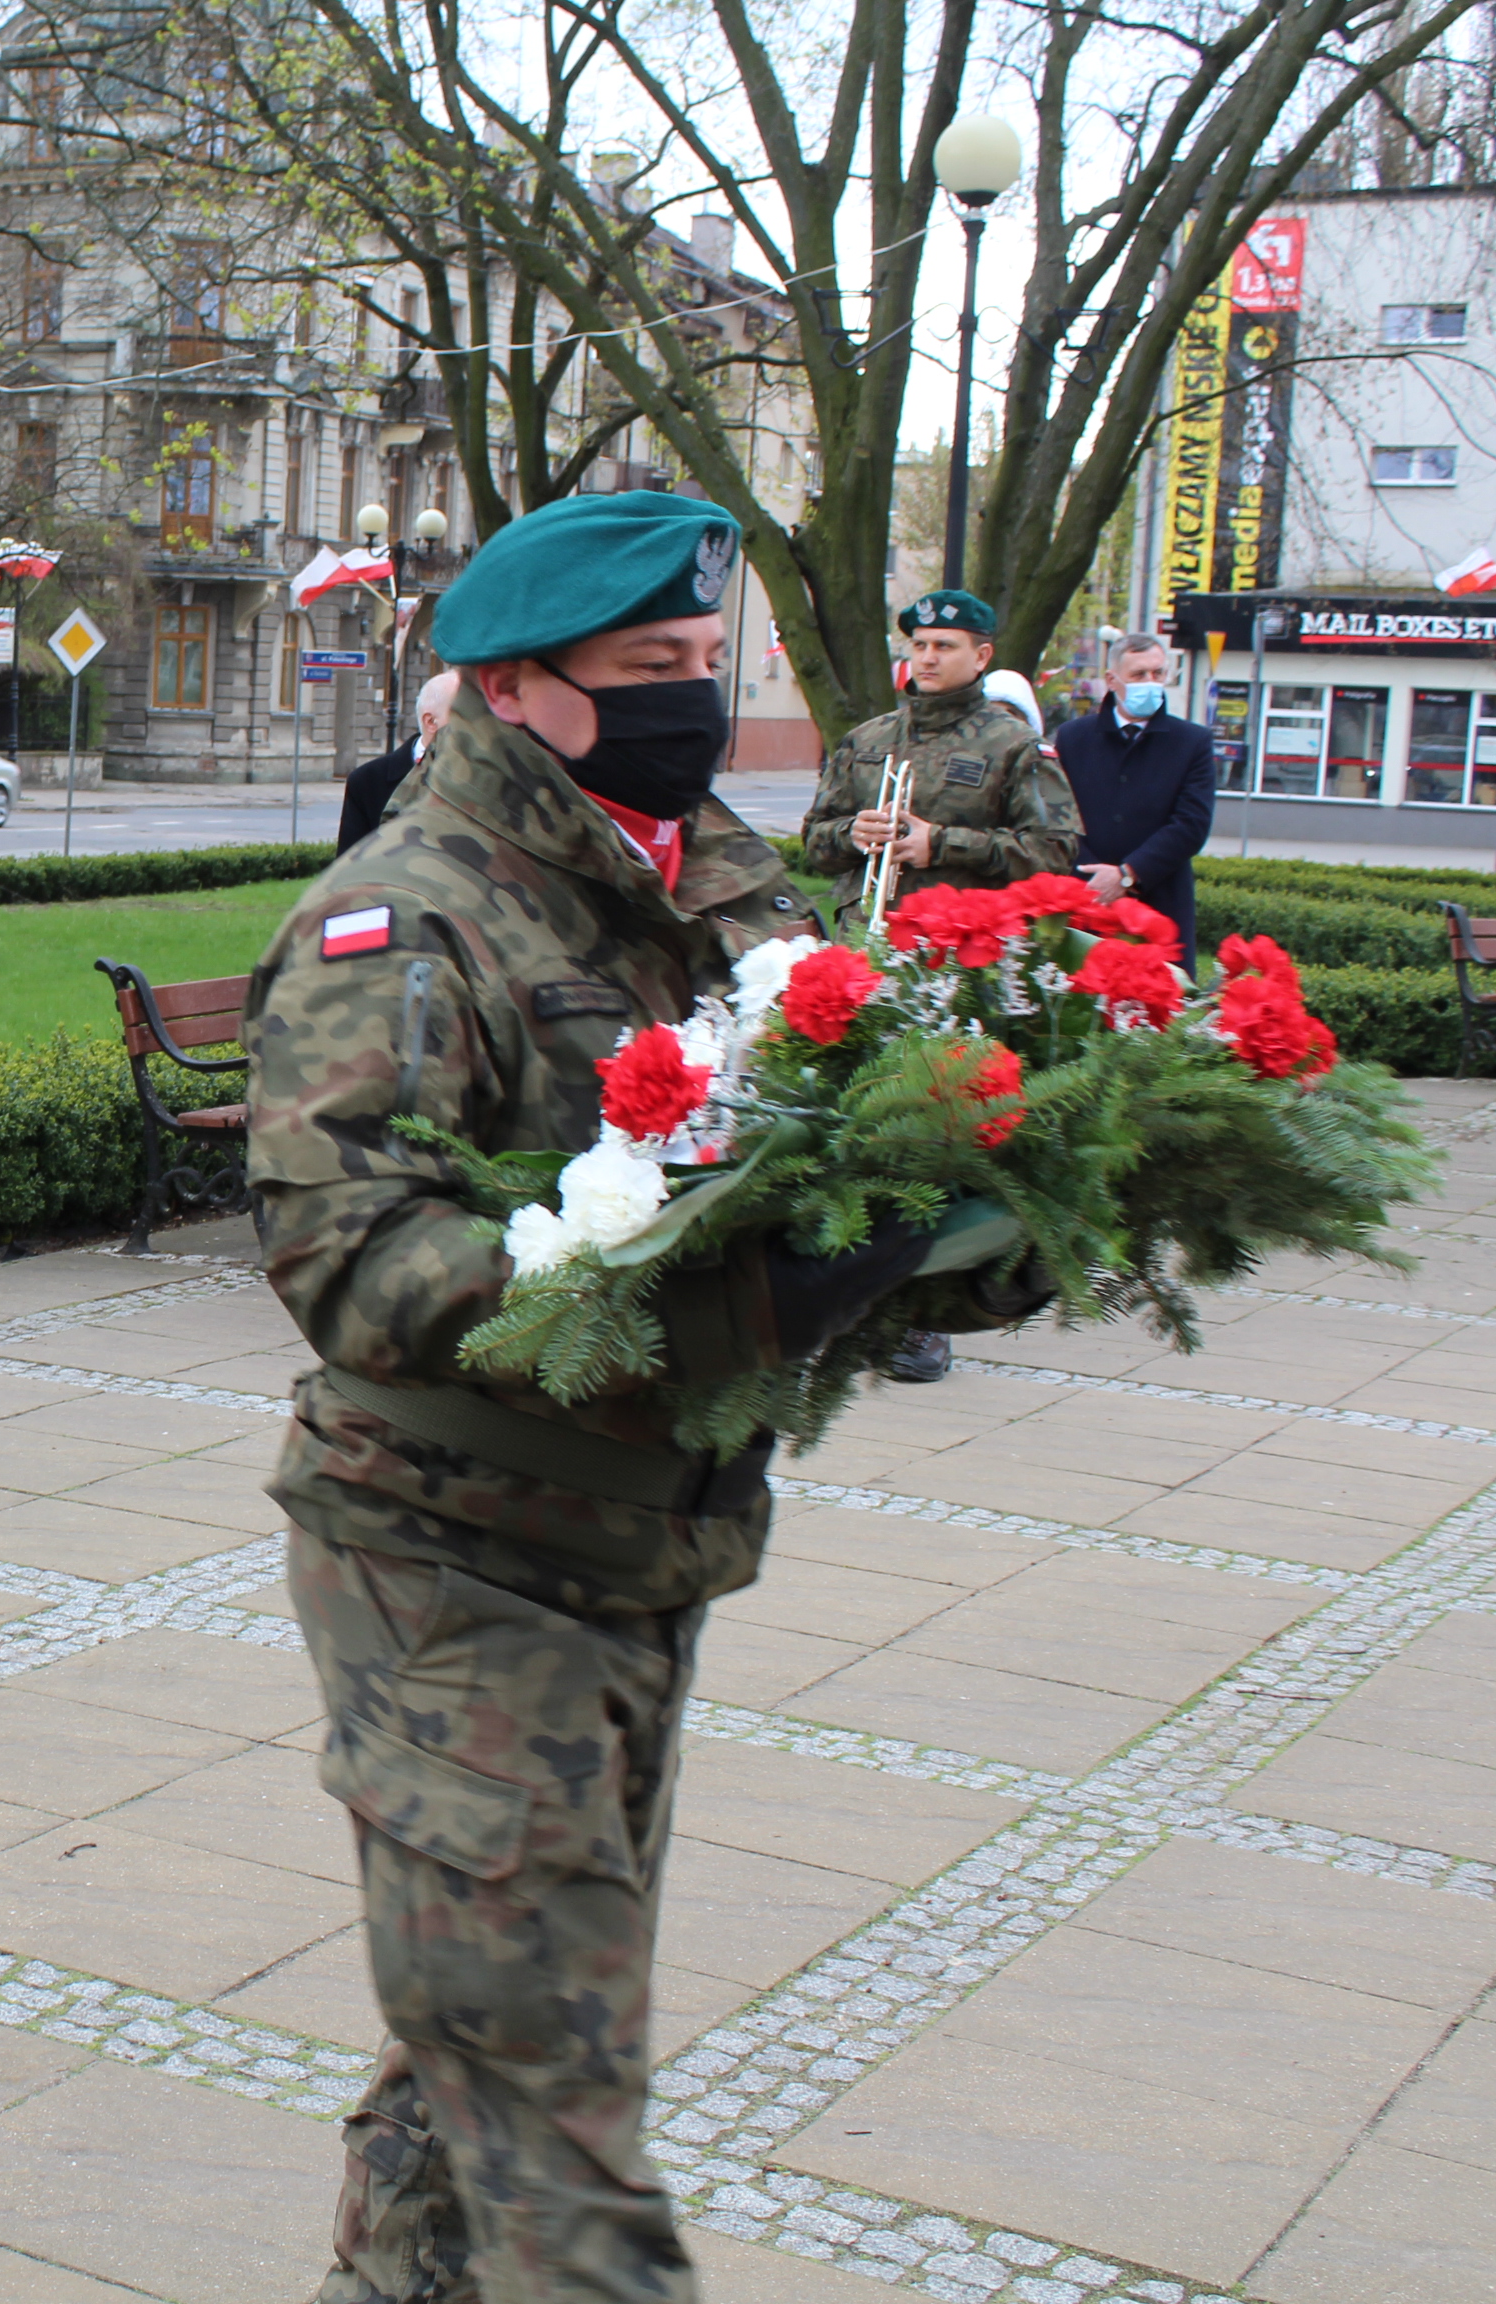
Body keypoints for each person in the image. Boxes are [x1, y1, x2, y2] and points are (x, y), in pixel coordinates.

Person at [247, 493, 1036, 2304]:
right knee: (550, 2116)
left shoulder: (707, 880)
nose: (696, 698)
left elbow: (846, 1139)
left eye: (707, 663)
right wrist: (731, 1286)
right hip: (449, 1567)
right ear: (518, 691)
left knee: (476, 2075)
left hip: (640, 1548)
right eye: (650, 671)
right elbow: (356, 1267)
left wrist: (990, 1222)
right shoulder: (402, 921)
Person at [800, 588, 1077, 1383]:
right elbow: (813, 842)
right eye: (921, 643)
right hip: (867, 954)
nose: (927, 658)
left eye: (946, 646)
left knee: (938, 1135)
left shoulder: (1012, 744)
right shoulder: (867, 740)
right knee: (850, 1125)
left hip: (959, 970)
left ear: (982, 657)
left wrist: (941, 843)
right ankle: (836, 1301)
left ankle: (926, 1316)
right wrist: (852, 833)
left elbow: (1054, 849)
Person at [1054, 634, 1215, 962]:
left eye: (1158, 674)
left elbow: (1191, 824)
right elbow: (1058, 815)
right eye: (1139, 675)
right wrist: (1092, 875)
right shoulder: (1073, 737)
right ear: (1112, 680)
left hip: (1160, 905)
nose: (1150, 683)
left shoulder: (1192, 742)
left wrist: (1129, 873)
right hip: (1086, 900)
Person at [336, 668, 461, 852]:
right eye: (465, 716)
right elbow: (350, 866)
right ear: (431, 722)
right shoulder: (368, 781)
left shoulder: (492, 775)